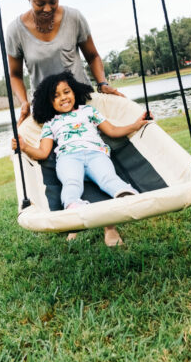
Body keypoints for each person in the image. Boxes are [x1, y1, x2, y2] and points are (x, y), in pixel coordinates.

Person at [12, 71, 150, 247]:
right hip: (68, 158)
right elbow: (43, 152)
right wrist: (24, 147)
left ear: (74, 92)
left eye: (66, 92)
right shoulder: (51, 122)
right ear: (49, 102)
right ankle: (73, 210)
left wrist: (135, 125)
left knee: (108, 178)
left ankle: (124, 195)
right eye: (56, 96)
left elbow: (113, 131)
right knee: (71, 182)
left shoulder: (88, 111)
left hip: (96, 153)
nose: (63, 98)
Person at [6, 0, 124, 127]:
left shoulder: (74, 18)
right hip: (46, 111)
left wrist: (102, 83)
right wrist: (24, 102)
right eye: (40, 3)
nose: (47, 9)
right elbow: (15, 75)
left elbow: (92, 56)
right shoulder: (15, 31)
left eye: (53, 1)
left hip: (82, 102)